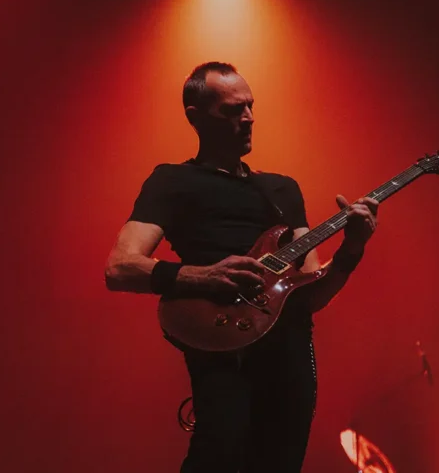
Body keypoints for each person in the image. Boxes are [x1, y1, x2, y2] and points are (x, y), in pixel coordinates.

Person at [104, 61, 379, 473]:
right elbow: (120, 268)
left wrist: (352, 250)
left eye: (250, 106)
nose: (249, 118)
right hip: (220, 340)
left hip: (289, 349)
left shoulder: (282, 189)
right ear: (195, 118)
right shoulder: (171, 181)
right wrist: (204, 276)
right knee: (218, 453)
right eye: (233, 110)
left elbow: (313, 293)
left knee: (281, 460)